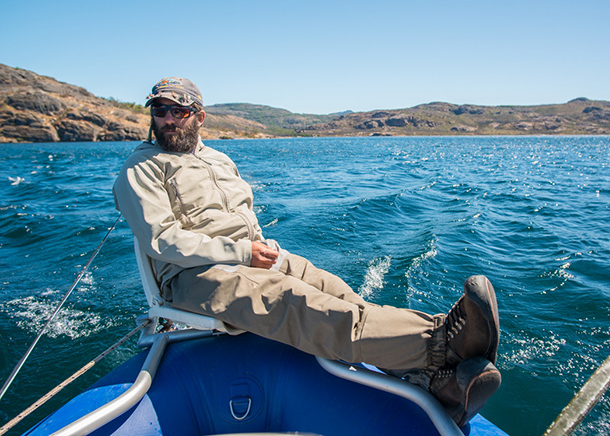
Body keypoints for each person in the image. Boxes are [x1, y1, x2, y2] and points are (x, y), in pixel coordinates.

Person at [113, 77, 502, 426]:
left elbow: (244, 220)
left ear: (198, 117)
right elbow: (162, 240)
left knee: (337, 292)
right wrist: (243, 253)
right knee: (297, 303)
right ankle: (440, 341)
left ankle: (433, 383)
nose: (166, 119)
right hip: (194, 276)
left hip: (252, 255)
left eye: (177, 111)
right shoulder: (143, 167)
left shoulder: (219, 159)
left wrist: (262, 252)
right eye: (159, 110)